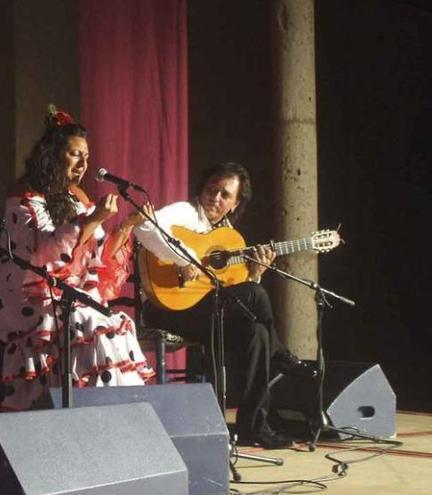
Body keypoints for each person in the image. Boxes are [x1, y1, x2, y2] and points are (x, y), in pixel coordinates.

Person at [134, 161, 318, 449]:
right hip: (165, 308)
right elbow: (143, 226)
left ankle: (253, 426)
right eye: (212, 190)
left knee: (256, 333)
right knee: (255, 300)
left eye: (225, 195)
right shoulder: (184, 213)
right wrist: (184, 260)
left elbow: (236, 298)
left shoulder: (229, 238)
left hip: (204, 311)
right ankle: (282, 356)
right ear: (202, 189)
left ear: (235, 204)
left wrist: (255, 274)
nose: (216, 199)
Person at [0, 106, 155, 412]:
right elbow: (43, 255)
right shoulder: (24, 196)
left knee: (111, 322)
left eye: (86, 157)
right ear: (53, 154)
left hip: (70, 295)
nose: (83, 163)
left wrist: (127, 225)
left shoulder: (78, 198)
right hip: (27, 295)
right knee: (85, 321)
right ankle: (78, 414)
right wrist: (90, 221)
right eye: (75, 154)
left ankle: (112, 416)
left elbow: (98, 257)